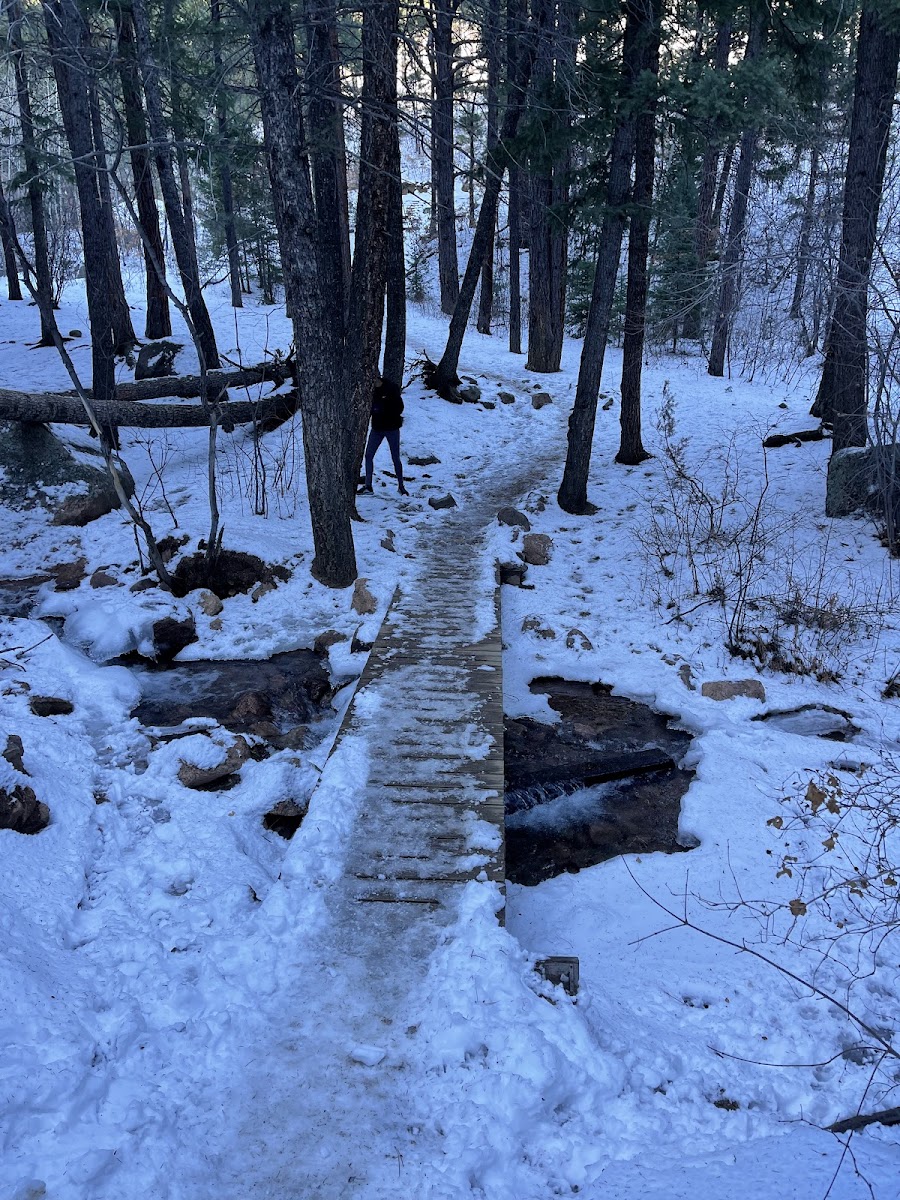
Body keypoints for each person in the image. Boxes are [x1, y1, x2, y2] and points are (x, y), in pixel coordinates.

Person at [361, 377, 408, 495]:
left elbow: (400, 407)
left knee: (395, 457)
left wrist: (383, 410)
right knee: (368, 455)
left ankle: (401, 486)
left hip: (392, 428)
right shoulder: (370, 391)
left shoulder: (391, 388)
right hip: (377, 429)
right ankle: (368, 486)